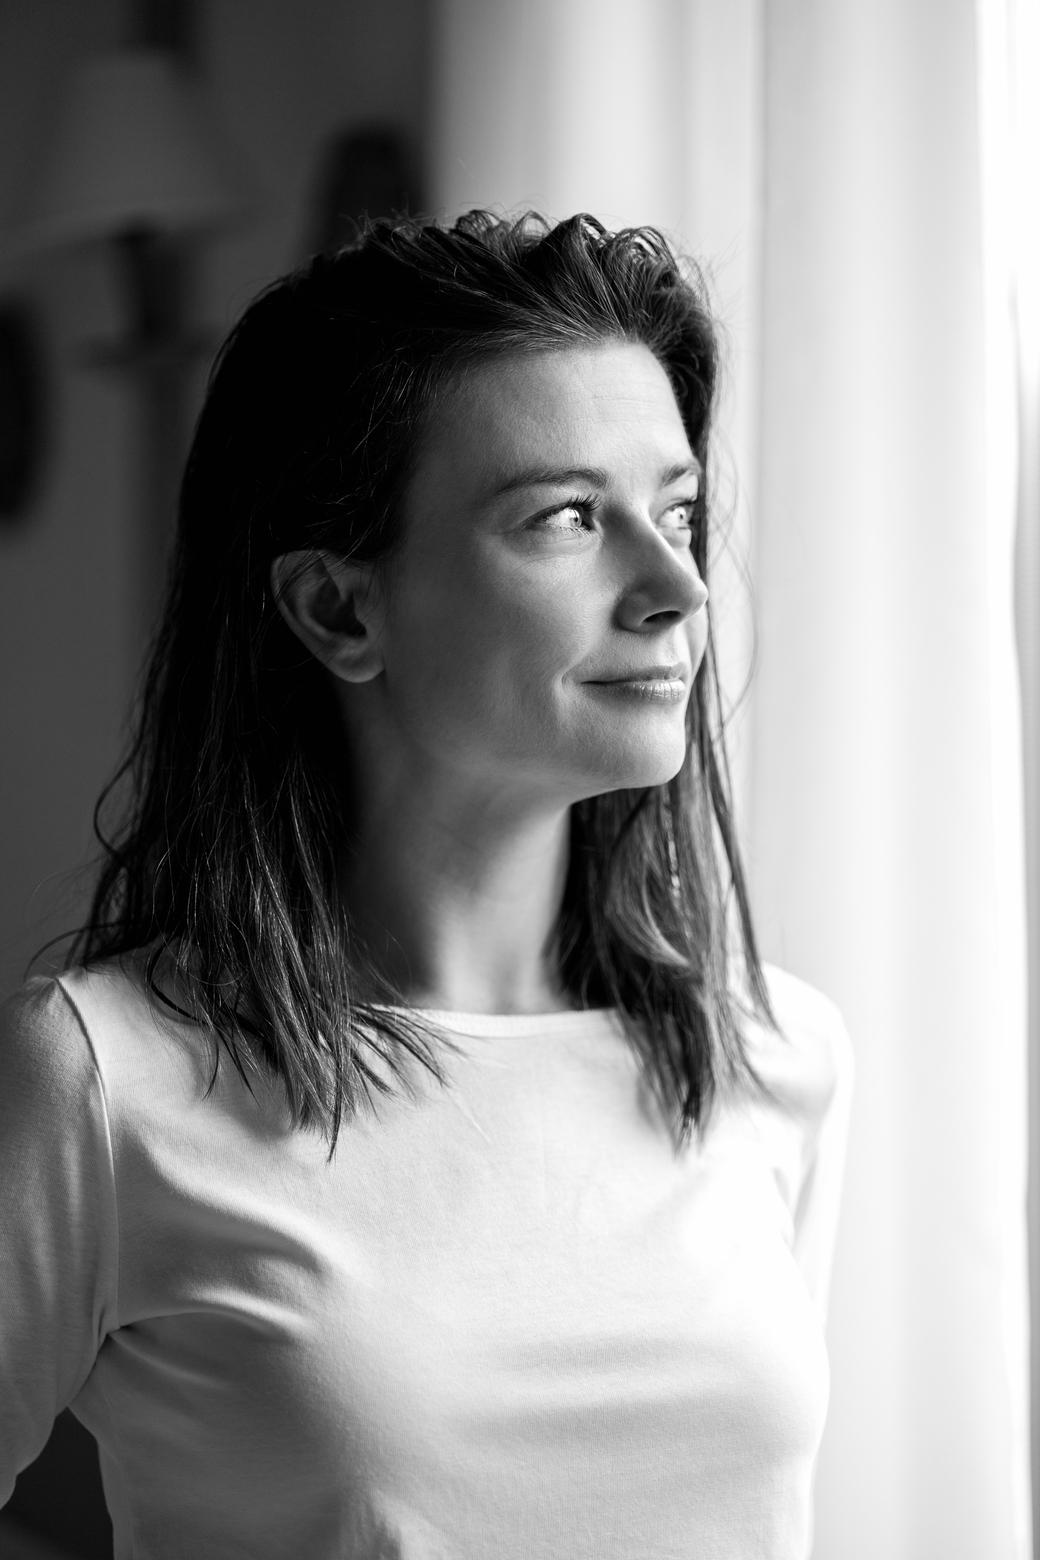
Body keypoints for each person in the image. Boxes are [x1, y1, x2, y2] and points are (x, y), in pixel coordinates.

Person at [0, 211, 853, 1559]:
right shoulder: (106, 1081)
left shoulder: (773, 1052)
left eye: (679, 511)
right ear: (339, 610)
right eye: (568, 517)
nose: (678, 587)